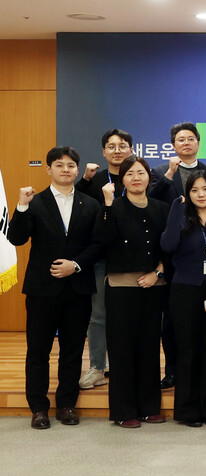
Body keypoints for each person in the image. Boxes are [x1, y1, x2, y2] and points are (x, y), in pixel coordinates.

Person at [8, 146, 103, 429]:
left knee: (72, 351)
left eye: (71, 165)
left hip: (78, 289)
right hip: (42, 290)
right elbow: (16, 238)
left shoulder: (90, 204)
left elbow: (98, 244)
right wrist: (21, 206)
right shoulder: (34, 202)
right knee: (38, 351)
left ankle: (66, 405)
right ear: (48, 169)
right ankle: (38, 408)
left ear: (77, 170)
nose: (65, 170)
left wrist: (76, 265)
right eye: (59, 165)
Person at [96, 156, 170, 428]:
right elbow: (102, 240)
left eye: (141, 172)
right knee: (121, 348)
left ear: (149, 177)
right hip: (121, 287)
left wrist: (158, 273)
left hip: (154, 285)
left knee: (149, 346)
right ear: (122, 180)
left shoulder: (162, 208)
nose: (136, 178)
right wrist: (107, 204)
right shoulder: (113, 207)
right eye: (129, 174)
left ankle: (149, 407)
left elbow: (171, 247)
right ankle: (123, 411)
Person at [159, 172, 206, 427]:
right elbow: (167, 246)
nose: (201, 194)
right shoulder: (180, 218)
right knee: (187, 351)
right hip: (185, 292)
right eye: (195, 190)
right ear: (188, 194)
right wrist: (175, 212)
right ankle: (187, 411)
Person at [76, 129, 135, 391]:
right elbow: (76, 202)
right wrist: (84, 180)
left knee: (130, 316)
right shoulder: (95, 180)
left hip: (133, 259)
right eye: (111, 146)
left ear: (131, 149)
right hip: (101, 257)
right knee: (98, 316)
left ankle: (127, 365)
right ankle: (97, 367)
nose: (117, 150)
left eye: (122, 146)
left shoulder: (139, 176)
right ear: (103, 151)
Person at [149, 122, 206, 210]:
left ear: (198, 144)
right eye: (181, 140)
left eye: (191, 139)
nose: (186, 143)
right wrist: (170, 173)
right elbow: (151, 201)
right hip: (171, 218)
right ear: (173, 146)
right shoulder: (160, 172)